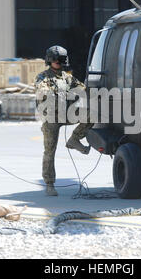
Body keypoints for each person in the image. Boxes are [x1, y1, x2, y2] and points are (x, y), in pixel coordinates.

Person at [35, 46, 94, 196]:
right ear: (49, 60)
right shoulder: (43, 77)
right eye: (56, 60)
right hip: (51, 118)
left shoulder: (67, 77)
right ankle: (49, 183)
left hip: (67, 113)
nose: (59, 63)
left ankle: (74, 140)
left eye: (61, 60)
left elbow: (82, 88)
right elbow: (41, 89)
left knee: (92, 115)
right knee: (50, 150)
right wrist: (52, 93)